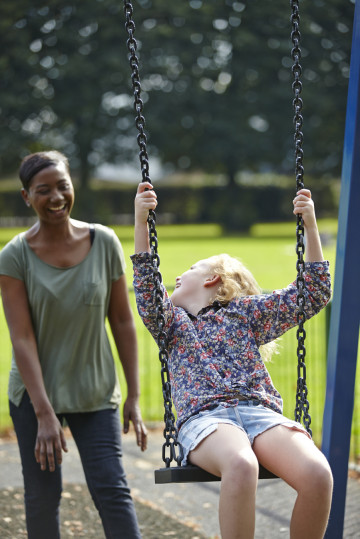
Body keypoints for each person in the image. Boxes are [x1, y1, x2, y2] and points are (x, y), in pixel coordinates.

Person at [132, 182, 333, 539]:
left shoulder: (245, 314)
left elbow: (313, 292)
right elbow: (147, 290)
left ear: (213, 280)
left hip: (260, 414)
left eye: (191, 268)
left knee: (318, 474)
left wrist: (311, 224)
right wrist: (141, 220)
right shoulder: (172, 325)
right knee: (241, 465)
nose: (177, 275)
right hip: (207, 420)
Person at [0, 151, 147, 539]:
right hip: (35, 396)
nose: (56, 197)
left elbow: (122, 321)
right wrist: (45, 414)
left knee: (112, 490)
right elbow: (22, 338)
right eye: (43, 190)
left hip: (94, 392)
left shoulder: (104, 242)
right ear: (26, 197)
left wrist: (133, 394)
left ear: (72, 186)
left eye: (62, 186)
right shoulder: (14, 256)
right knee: (44, 496)